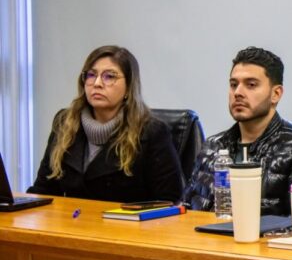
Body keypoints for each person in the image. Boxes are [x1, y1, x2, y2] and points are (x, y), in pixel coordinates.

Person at [182, 46, 292, 215]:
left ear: (276, 94)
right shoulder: (213, 146)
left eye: (251, 85)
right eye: (233, 85)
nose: (238, 92)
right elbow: (186, 209)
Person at [28, 45, 183, 202]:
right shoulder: (64, 122)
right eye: (91, 75)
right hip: (73, 217)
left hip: (126, 218)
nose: (97, 83)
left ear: (128, 88)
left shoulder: (151, 132)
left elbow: (169, 202)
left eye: (109, 77)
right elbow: (43, 190)